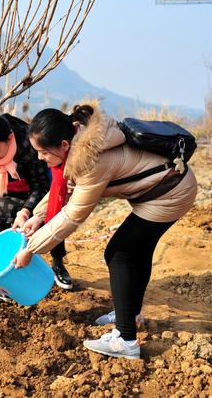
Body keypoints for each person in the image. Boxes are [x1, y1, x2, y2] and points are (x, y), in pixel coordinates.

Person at [13, 102, 197, 359]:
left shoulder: (92, 161)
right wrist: (37, 217)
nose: (40, 158)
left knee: (118, 253)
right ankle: (130, 314)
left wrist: (31, 250)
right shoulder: (81, 142)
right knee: (136, 251)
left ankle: (125, 339)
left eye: (43, 153)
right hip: (165, 186)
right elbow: (65, 188)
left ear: (64, 145)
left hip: (170, 193)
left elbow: (73, 214)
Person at [0, 113, 73, 290]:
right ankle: (9, 281)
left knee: (50, 217)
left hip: (35, 191)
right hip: (3, 192)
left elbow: (41, 184)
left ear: (10, 139)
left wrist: (26, 211)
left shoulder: (28, 144)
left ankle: (57, 264)